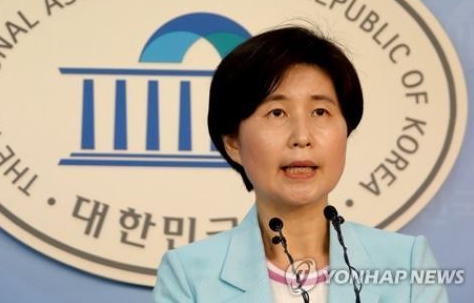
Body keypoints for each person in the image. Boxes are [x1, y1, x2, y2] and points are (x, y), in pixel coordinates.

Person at [153, 26, 448, 302]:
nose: (302, 137)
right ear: (233, 143)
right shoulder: (189, 276)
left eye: (320, 112)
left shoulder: (407, 264)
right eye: (277, 113)